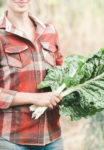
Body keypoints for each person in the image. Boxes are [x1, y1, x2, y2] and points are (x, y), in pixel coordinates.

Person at [0, 0, 64, 149]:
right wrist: (34, 98)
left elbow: (62, 74)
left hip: (52, 137)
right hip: (11, 139)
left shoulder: (49, 31)